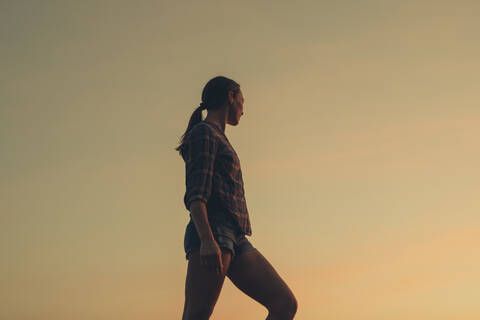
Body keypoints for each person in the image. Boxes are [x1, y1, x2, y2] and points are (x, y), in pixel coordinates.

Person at [175, 76, 298, 320]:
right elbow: (196, 195)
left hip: (235, 236)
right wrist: (207, 240)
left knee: (284, 303)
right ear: (230, 96)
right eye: (242, 100)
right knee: (196, 315)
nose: (244, 108)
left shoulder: (218, 137)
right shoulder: (205, 133)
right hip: (214, 232)